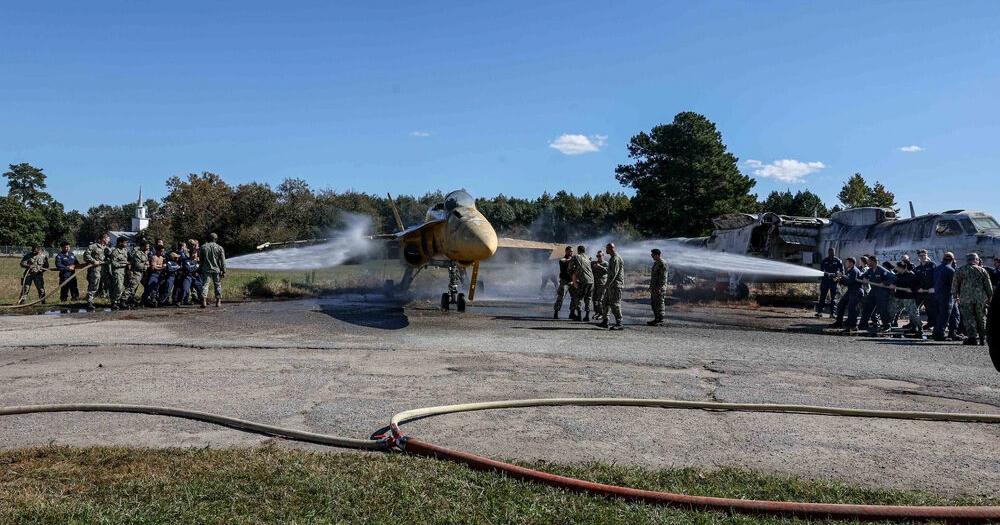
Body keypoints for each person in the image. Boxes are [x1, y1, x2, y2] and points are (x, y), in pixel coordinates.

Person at [953, 253, 993, 345]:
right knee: (981, 317)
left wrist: (956, 296)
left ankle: (972, 338)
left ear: (967, 260)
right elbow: (989, 286)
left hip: (965, 299)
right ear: (976, 260)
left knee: (969, 318)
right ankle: (983, 338)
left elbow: (955, 285)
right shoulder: (983, 270)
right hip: (981, 299)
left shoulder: (960, 270)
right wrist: (990, 297)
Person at [858, 254, 895, 333]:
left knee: (882, 310)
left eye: (869, 262)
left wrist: (884, 283)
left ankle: (887, 326)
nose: (868, 263)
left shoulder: (882, 270)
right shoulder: (870, 270)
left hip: (882, 293)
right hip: (873, 291)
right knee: (867, 308)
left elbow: (893, 277)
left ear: (874, 262)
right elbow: (863, 276)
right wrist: (864, 278)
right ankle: (863, 324)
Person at [932, 252, 962, 341]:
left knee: (954, 314)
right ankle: (939, 335)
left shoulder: (937, 268)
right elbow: (954, 284)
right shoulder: (950, 270)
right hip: (948, 296)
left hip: (938, 295)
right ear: (952, 260)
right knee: (945, 316)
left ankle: (952, 333)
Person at [830, 257, 863, 330]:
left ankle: (852, 325)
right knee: (841, 304)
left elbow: (850, 281)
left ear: (851, 263)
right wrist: (838, 280)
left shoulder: (854, 271)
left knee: (852, 308)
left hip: (856, 291)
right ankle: (839, 323)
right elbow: (846, 281)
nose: (845, 263)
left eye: (847, 262)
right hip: (851, 291)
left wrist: (841, 277)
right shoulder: (849, 270)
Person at [597, 242, 624, 330]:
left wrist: (606, 284)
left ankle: (619, 323)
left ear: (611, 249)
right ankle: (605, 321)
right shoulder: (612, 258)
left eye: (607, 248)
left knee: (615, 304)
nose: (606, 250)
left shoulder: (615, 259)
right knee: (605, 302)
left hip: (615, 285)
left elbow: (613, 274)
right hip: (611, 286)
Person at [891, 261, 922, 337]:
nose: (896, 268)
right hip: (898, 297)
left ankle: (920, 329)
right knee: (891, 311)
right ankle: (890, 325)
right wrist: (892, 286)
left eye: (897, 267)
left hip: (909, 298)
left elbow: (918, 286)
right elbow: (893, 283)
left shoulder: (911, 275)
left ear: (902, 268)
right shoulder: (897, 275)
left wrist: (912, 289)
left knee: (913, 314)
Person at [83, 233, 110, 310]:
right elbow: (86, 255)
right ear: (104, 239)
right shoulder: (93, 246)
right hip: (95, 269)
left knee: (107, 284)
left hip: (104, 269)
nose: (109, 240)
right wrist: (93, 261)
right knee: (94, 285)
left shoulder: (106, 248)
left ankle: (107, 298)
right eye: (108, 238)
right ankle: (89, 301)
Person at [199, 232, 227, 307]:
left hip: (206, 269)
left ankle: (204, 301)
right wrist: (223, 270)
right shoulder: (219, 248)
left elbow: (201, 260)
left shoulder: (203, 247)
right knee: (217, 285)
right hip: (216, 269)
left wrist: (199, 269)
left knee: (205, 285)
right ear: (216, 239)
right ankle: (218, 301)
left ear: (208, 238)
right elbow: (223, 260)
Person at [913, 249, 937, 332]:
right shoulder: (918, 268)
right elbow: (915, 281)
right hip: (920, 291)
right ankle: (916, 324)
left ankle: (931, 323)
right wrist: (917, 289)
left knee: (930, 308)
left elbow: (937, 278)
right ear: (919, 257)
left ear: (927, 255)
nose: (923, 257)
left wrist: (934, 288)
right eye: (921, 256)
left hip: (930, 291)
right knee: (915, 307)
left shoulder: (932, 265)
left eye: (924, 255)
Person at [569, 245, 594, 321]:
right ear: (584, 251)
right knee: (588, 298)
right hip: (591, 281)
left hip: (583, 280)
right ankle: (587, 316)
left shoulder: (576, 256)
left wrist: (573, 279)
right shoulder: (587, 258)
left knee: (578, 297)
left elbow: (570, 269)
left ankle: (579, 315)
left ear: (578, 250)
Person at [816, 248, 843, 318]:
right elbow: (821, 271)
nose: (831, 253)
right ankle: (819, 312)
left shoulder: (838, 261)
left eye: (833, 252)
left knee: (834, 298)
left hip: (834, 282)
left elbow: (842, 272)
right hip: (825, 281)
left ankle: (832, 313)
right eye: (830, 252)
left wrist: (837, 277)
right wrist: (823, 275)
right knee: (822, 297)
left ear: (834, 252)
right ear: (828, 252)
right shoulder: (824, 260)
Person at [107, 238, 130, 309]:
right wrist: (123, 264)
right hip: (117, 271)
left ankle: (121, 302)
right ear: (120, 243)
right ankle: (114, 302)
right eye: (125, 243)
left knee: (124, 287)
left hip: (124, 271)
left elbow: (126, 260)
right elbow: (114, 264)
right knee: (118, 287)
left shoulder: (125, 250)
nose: (126, 244)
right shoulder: (115, 252)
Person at [552, 246, 574, 319]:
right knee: (561, 297)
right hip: (564, 281)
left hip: (572, 281)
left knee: (574, 297)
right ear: (566, 251)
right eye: (570, 251)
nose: (571, 252)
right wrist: (572, 260)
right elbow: (562, 261)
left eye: (572, 251)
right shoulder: (563, 260)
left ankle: (572, 313)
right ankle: (556, 312)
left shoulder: (573, 259)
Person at [127, 240, 150, 306]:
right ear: (143, 246)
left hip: (143, 273)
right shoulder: (138, 253)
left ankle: (144, 300)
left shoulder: (145, 253)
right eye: (147, 246)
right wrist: (146, 265)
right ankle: (127, 300)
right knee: (133, 287)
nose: (148, 247)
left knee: (147, 286)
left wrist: (146, 265)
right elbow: (138, 265)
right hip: (137, 273)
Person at [648, 248, 667, 326]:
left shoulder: (662, 263)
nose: (652, 256)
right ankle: (656, 319)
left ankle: (661, 320)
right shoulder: (656, 263)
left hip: (659, 288)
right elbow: (654, 277)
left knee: (659, 303)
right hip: (654, 287)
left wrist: (660, 288)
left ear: (657, 255)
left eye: (653, 255)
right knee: (654, 303)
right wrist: (651, 286)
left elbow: (663, 277)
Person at [591, 251, 608, 322]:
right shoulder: (594, 263)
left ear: (603, 256)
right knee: (594, 299)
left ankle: (602, 314)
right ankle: (597, 312)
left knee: (600, 300)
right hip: (595, 284)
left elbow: (608, 271)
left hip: (602, 284)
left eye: (600, 256)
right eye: (597, 256)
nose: (598, 257)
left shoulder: (605, 263)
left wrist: (600, 266)